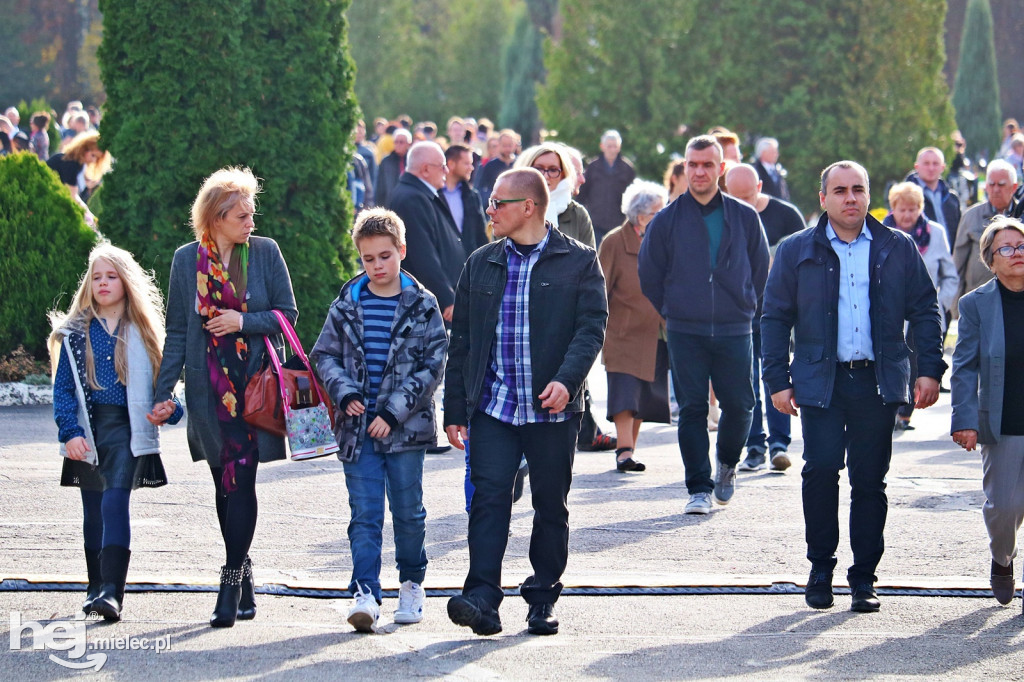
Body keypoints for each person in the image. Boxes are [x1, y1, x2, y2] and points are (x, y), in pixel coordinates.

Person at [762, 160, 945, 613]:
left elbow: (925, 308)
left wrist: (929, 369)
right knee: (821, 470)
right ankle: (820, 567)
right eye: (840, 190)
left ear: (868, 196)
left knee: (869, 481)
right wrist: (777, 379)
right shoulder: (795, 250)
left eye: (858, 189)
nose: (850, 198)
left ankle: (864, 577)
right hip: (820, 380)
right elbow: (773, 318)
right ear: (822, 198)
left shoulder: (896, 247)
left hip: (876, 382)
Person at [444, 168, 607, 637]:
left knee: (550, 506)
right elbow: (464, 342)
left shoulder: (578, 261)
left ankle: (541, 598)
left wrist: (567, 381)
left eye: (498, 203)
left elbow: (591, 327)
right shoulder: (481, 262)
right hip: (493, 407)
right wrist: (454, 409)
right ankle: (482, 599)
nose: (489, 211)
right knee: (489, 501)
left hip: (551, 410)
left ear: (529, 207)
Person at [150, 167, 298, 628]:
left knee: (244, 480)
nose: (251, 222)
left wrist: (241, 321)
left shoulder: (266, 253)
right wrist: (163, 392)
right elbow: (177, 331)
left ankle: (230, 580)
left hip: (254, 389)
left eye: (252, 214)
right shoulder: (185, 260)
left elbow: (287, 315)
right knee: (222, 483)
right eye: (241, 216)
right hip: (208, 391)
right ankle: (245, 572)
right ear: (215, 218)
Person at [311, 208, 448, 632]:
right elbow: (323, 356)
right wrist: (344, 392)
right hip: (357, 432)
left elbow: (434, 364)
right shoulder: (347, 303)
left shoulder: (423, 306)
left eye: (384, 256)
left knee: (408, 511)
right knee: (364, 513)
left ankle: (411, 583)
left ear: (401, 251)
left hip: (405, 430)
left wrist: (393, 411)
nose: (377, 266)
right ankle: (365, 592)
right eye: (368, 259)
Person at [48, 243, 182, 622]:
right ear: (88, 285)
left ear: (126, 282)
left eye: (111, 276)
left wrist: (170, 410)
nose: (103, 283)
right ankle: (95, 586)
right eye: (96, 277)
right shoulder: (75, 334)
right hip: (89, 430)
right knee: (92, 512)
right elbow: (63, 390)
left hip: (127, 429)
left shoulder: (142, 331)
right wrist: (69, 432)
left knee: (113, 503)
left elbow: (165, 391)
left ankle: (112, 592)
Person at [638, 135, 769, 515]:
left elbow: (761, 270)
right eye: (693, 165)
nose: (699, 172)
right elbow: (649, 272)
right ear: (685, 167)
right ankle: (698, 487)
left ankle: (727, 464)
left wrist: (745, 306)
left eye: (707, 165)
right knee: (693, 409)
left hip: (734, 327)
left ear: (720, 169)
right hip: (684, 328)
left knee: (741, 404)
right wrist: (673, 309)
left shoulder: (745, 217)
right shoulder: (666, 220)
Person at [951, 216, 1024, 609]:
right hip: (1005, 420)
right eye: (1007, 248)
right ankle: (1002, 558)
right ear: (991, 260)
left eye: (1022, 245)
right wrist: (964, 419)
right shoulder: (976, 304)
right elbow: (964, 366)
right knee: (1005, 508)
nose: (1018, 254)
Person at [724, 163, 804, 471]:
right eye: (735, 198)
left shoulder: (786, 215)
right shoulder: (722, 217)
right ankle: (754, 444)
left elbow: (806, 258)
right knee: (746, 381)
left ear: (760, 187)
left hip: (779, 311)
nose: (742, 205)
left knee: (777, 375)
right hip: (739, 312)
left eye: (748, 196)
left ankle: (779, 444)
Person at [598, 180, 671, 472]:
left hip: (656, 331)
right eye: (657, 212)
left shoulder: (664, 240)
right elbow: (599, 285)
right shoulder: (615, 241)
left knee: (644, 395)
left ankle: (628, 450)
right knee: (625, 392)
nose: (662, 217)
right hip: (622, 330)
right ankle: (624, 451)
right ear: (640, 216)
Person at [883, 182, 958, 431]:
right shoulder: (881, 233)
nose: (907, 215)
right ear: (893, 208)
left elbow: (950, 275)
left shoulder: (934, 233)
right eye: (902, 209)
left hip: (923, 311)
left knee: (916, 361)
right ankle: (889, 409)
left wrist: (940, 304)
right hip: (889, 311)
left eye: (913, 209)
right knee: (892, 360)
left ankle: (905, 414)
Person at [386, 141, 463, 326]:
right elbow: (424, 255)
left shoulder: (419, 193)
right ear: (426, 169)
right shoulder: (412, 198)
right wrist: (446, 298)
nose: (446, 171)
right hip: (424, 306)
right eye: (442, 166)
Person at [953, 160, 1019, 305]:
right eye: (991, 184)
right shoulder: (971, 216)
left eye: (1001, 184)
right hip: (978, 300)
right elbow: (958, 263)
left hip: (1016, 299)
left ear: (1014, 187)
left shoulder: (1022, 215)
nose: (995, 189)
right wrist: (956, 305)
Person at [578, 130, 636, 245]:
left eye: (615, 146)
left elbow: (633, 198)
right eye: (609, 146)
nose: (612, 150)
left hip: (619, 224)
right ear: (602, 146)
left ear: (619, 148)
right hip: (596, 223)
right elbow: (582, 194)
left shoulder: (627, 169)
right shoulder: (593, 167)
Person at [46, 130, 109, 229]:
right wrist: (89, 217)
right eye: (93, 155)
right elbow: (73, 196)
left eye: (97, 158)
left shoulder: (76, 165)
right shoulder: (70, 164)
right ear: (84, 149)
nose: (93, 160)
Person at [905, 147, 961, 246]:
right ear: (916, 166)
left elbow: (959, 233)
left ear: (943, 167)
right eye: (926, 163)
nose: (931, 168)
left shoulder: (952, 199)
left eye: (935, 163)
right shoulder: (905, 197)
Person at [442, 144, 489, 259]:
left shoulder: (472, 196)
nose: (471, 168)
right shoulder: (433, 195)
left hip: (468, 263)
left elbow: (480, 234)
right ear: (451, 164)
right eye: (467, 163)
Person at [474, 128, 519, 211]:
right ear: (499, 145)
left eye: (510, 145)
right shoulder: (490, 165)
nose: (507, 149)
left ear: (515, 145)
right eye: (504, 146)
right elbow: (480, 187)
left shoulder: (520, 163)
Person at [375, 128, 411, 208]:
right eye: (396, 142)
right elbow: (380, 186)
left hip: (409, 203)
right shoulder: (386, 161)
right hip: (390, 204)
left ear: (409, 144)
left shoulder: (413, 161)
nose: (398, 144)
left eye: (401, 142)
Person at [752, 137, 791, 203]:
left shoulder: (778, 170)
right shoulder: (755, 171)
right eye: (773, 152)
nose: (777, 154)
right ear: (763, 153)